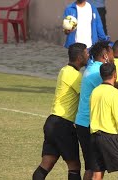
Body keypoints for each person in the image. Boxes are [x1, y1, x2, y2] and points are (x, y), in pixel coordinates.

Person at [32, 43, 88, 180]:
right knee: (74, 166)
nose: (88, 56)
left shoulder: (64, 70)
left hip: (53, 122)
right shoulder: (74, 75)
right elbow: (85, 97)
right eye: (87, 53)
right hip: (63, 124)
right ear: (80, 57)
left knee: (46, 164)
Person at [74, 41, 113, 180]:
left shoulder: (92, 68)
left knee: (93, 166)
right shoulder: (99, 72)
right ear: (105, 55)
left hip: (84, 122)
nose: (112, 54)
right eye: (111, 51)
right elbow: (109, 93)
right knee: (94, 167)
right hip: (88, 124)